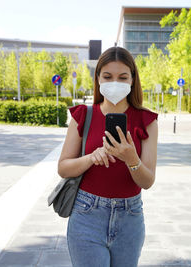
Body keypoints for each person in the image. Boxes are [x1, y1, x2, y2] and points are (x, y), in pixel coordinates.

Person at [57, 46, 158, 267]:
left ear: (132, 80)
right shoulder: (83, 115)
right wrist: (91, 158)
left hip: (130, 217)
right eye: (108, 76)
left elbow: (147, 181)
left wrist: (132, 159)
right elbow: (63, 168)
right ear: (98, 79)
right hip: (86, 214)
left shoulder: (146, 120)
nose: (115, 82)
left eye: (123, 77)